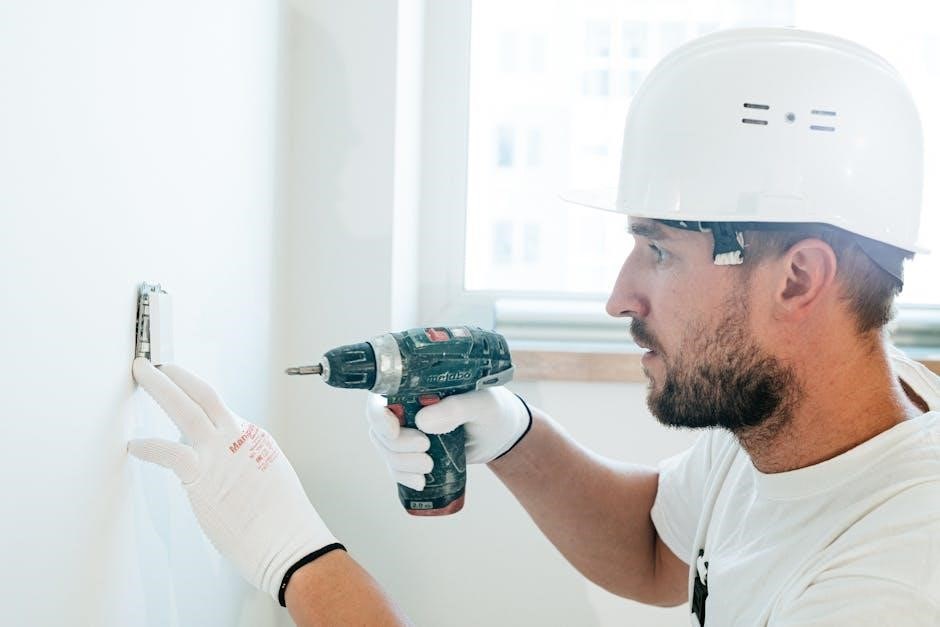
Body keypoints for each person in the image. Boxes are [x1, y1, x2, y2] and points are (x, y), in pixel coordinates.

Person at [129, 27, 940, 626]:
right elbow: (657, 548)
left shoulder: (893, 583)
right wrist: (513, 433)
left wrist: (297, 559)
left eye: (659, 249)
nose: (620, 297)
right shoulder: (796, 410)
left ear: (798, 279)